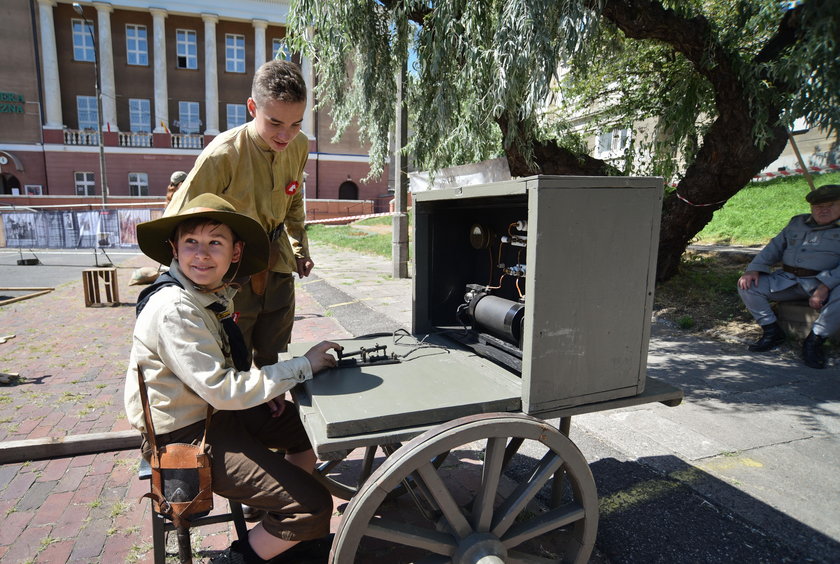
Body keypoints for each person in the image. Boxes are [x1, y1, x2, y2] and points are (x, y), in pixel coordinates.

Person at [124, 192, 340, 563]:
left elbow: (223, 372)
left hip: (213, 411)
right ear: (174, 249)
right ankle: (248, 551)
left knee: (303, 428)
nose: (202, 254)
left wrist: (260, 388)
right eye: (191, 242)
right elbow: (223, 390)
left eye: (215, 243)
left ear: (235, 253)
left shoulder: (208, 293)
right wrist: (301, 366)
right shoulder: (174, 308)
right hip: (185, 433)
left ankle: (278, 516)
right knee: (314, 506)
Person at [165, 60, 313, 371]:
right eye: (275, 123)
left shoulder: (299, 145)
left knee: (278, 354)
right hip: (233, 273)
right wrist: (179, 287)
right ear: (251, 107)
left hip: (278, 265)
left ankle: (274, 413)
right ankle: (239, 417)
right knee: (234, 357)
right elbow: (177, 217)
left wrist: (300, 249)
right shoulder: (224, 154)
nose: (286, 135)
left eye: (296, 123)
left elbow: (294, 196)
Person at [737, 184, 840, 369]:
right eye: (818, 206)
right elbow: (774, 248)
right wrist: (754, 269)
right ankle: (771, 331)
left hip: (826, 285)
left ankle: (815, 341)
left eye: (830, 205)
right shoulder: (797, 223)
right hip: (789, 280)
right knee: (747, 285)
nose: (823, 210)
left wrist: (825, 286)